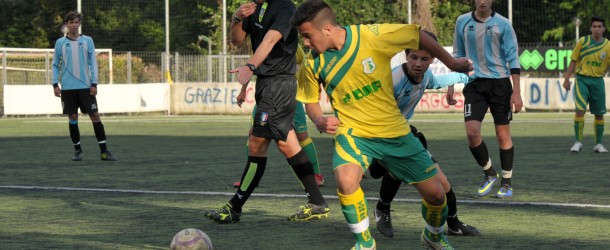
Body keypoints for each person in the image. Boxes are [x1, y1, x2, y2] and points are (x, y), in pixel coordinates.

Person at [292, 1, 472, 249]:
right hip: (354, 133)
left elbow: (415, 34)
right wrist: (318, 119)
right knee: (345, 181)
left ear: (326, 29)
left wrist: (451, 63)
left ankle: (433, 236)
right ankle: (364, 243)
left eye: (307, 36)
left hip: (394, 131)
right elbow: (310, 100)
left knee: (436, 194)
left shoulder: (370, 35)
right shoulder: (312, 63)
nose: (306, 44)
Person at [204, 0, 329, 224]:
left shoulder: (284, 7)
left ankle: (235, 205)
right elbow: (237, 41)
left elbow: (271, 39)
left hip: (278, 86)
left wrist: (250, 67)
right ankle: (317, 202)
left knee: (257, 143)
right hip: (267, 84)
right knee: (288, 144)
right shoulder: (255, 7)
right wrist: (237, 17)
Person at [368, 31, 480, 238]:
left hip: (402, 135)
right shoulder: (392, 79)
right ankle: (380, 205)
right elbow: (372, 110)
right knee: (386, 171)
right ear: (406, 55)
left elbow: (438, 81)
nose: (418, 63)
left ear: (433, 59)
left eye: (424, 59)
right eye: (413, 57)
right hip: (380, 135)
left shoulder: (425, 76)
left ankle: (453, 225)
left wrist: (467, 75)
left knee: (442, 184)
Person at [453, 0, 522, 199]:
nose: (482, 1)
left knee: (502, 135)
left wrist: (516, 92)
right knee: (472, 132)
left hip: (500, 84)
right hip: (474, 84)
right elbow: (457, 55)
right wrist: (451, 85)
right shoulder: (462, 21)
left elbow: (513, 58)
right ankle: (490, 173)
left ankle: (507, 182)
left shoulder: (503, 24)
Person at [234, 46, 325, 188]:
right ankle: (250, 177)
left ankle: (316, 174)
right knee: (254, 134)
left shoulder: (292, 42)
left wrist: (310, 85)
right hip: (265, 96)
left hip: (289, 94)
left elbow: (304, 62)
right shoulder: (260, 44)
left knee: (301, 136)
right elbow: (250, 67)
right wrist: (243, 91)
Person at [51, 11, 117, 162]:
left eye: (76, 22)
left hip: (86, 87)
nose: (74, 25)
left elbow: (93, 63)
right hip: (67, 88)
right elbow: (55, 65)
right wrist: (55, 84)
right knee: (73, 117)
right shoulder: (60, 43)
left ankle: (104, 151)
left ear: (79, 24)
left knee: (95, 115)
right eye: (71, 22)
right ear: (66, 24)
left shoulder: (88, 41)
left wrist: (94, 83)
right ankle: (78, 150)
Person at [562, 16, 610, 153]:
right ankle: (578, 142)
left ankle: (598, 144)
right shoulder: (583, 41)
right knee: (580, 110)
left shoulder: (608, 45)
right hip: (582, 80)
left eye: (599, 26)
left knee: (599, 114)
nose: (596, 29)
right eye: (594, 26)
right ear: (590, 28)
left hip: (598, 81)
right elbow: (573, 60)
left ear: (604, 29)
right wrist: (566, 79)